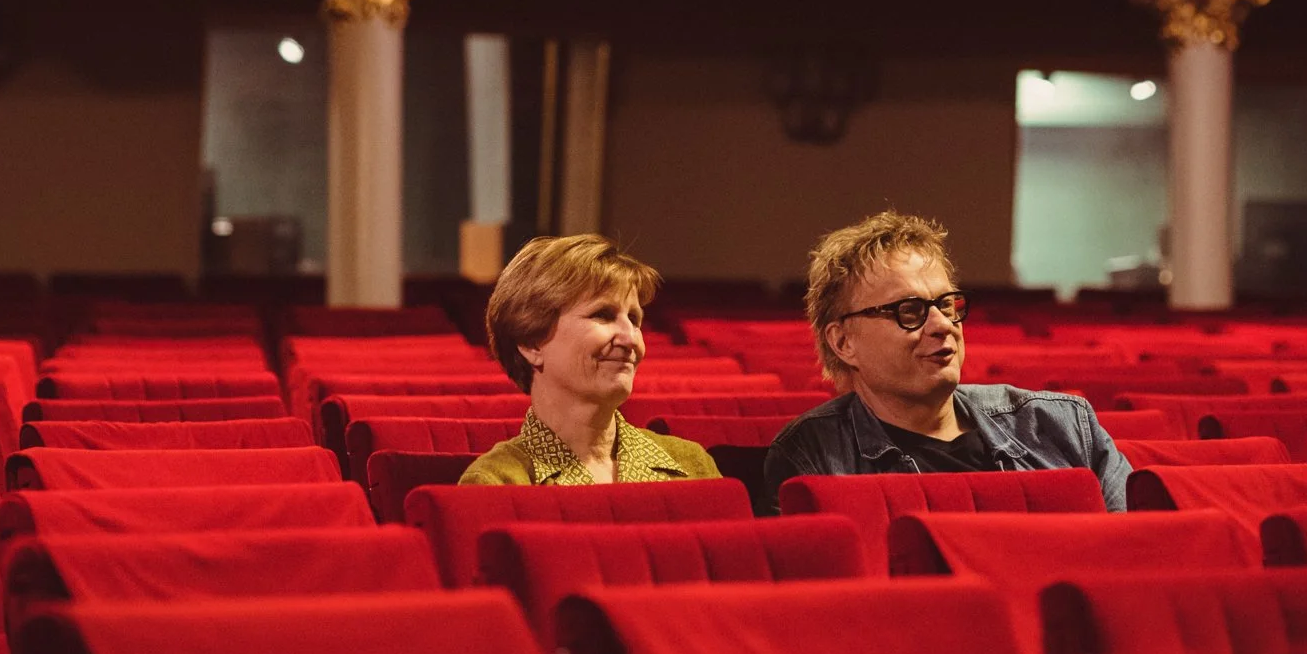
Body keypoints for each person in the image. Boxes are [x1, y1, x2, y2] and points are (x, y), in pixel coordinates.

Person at [763, 210, 1130, 508]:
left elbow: (1140, 550)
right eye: (909, 311)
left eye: (945, 304)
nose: (942, 325)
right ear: (843, 342)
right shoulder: (814, 458)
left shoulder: (1060, 425)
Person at [461, 233, 719, 486]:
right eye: (603, 315)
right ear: (532, 343)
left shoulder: (693, 466)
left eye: (634, 319)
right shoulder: (496, 482)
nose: (630, 339)